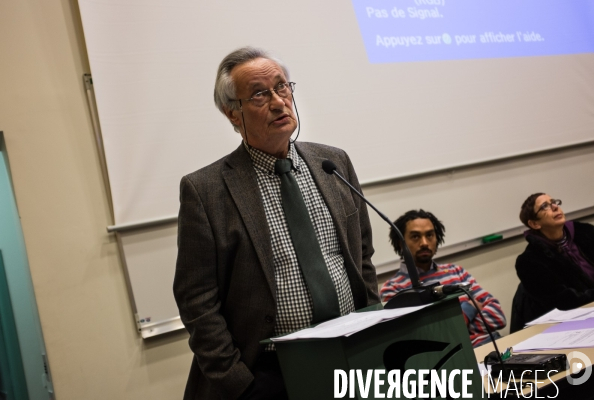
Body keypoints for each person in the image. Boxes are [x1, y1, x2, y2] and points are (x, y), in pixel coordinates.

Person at [173, 47, 379, 400]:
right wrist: (240, 382)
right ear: (233, 115)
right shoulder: (205, 190)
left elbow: (362, 256)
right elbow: (197, 301)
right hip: (269, 373)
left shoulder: (334, 163)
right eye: (259, 94)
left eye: (282, 87)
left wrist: (376, 330)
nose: (279, 102)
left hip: (351, 353)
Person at [380, 209, 506, 348]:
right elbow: (419, 339)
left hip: (491, 348)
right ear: (400, 243)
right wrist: (469, 308)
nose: (424, 243)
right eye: (415, 236)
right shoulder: (392, 289)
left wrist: (449, 328)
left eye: (429, 235)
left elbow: (497, 315)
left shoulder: (456, 272)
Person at [514, 193, 594, 326]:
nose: (555, 207)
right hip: (572, 323)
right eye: (545, 206)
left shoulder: (586, 232)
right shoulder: (529, 262)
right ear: (534, 224)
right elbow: (564, 302)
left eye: (554, 202)